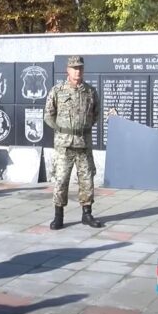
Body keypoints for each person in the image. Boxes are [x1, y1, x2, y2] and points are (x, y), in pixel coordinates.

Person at [43, 56, 104, 230]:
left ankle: (87, 213)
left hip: (83, 144)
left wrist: (81, 128)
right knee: (61, 180)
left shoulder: (90, 92)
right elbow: (48, 115)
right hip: (64, 146)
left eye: (80, 68)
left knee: (87, 180)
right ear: (67, 71)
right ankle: (58, 216)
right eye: (74, 68)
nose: (78, 71)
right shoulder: (57, 91)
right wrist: (63, 130)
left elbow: (96, 114)